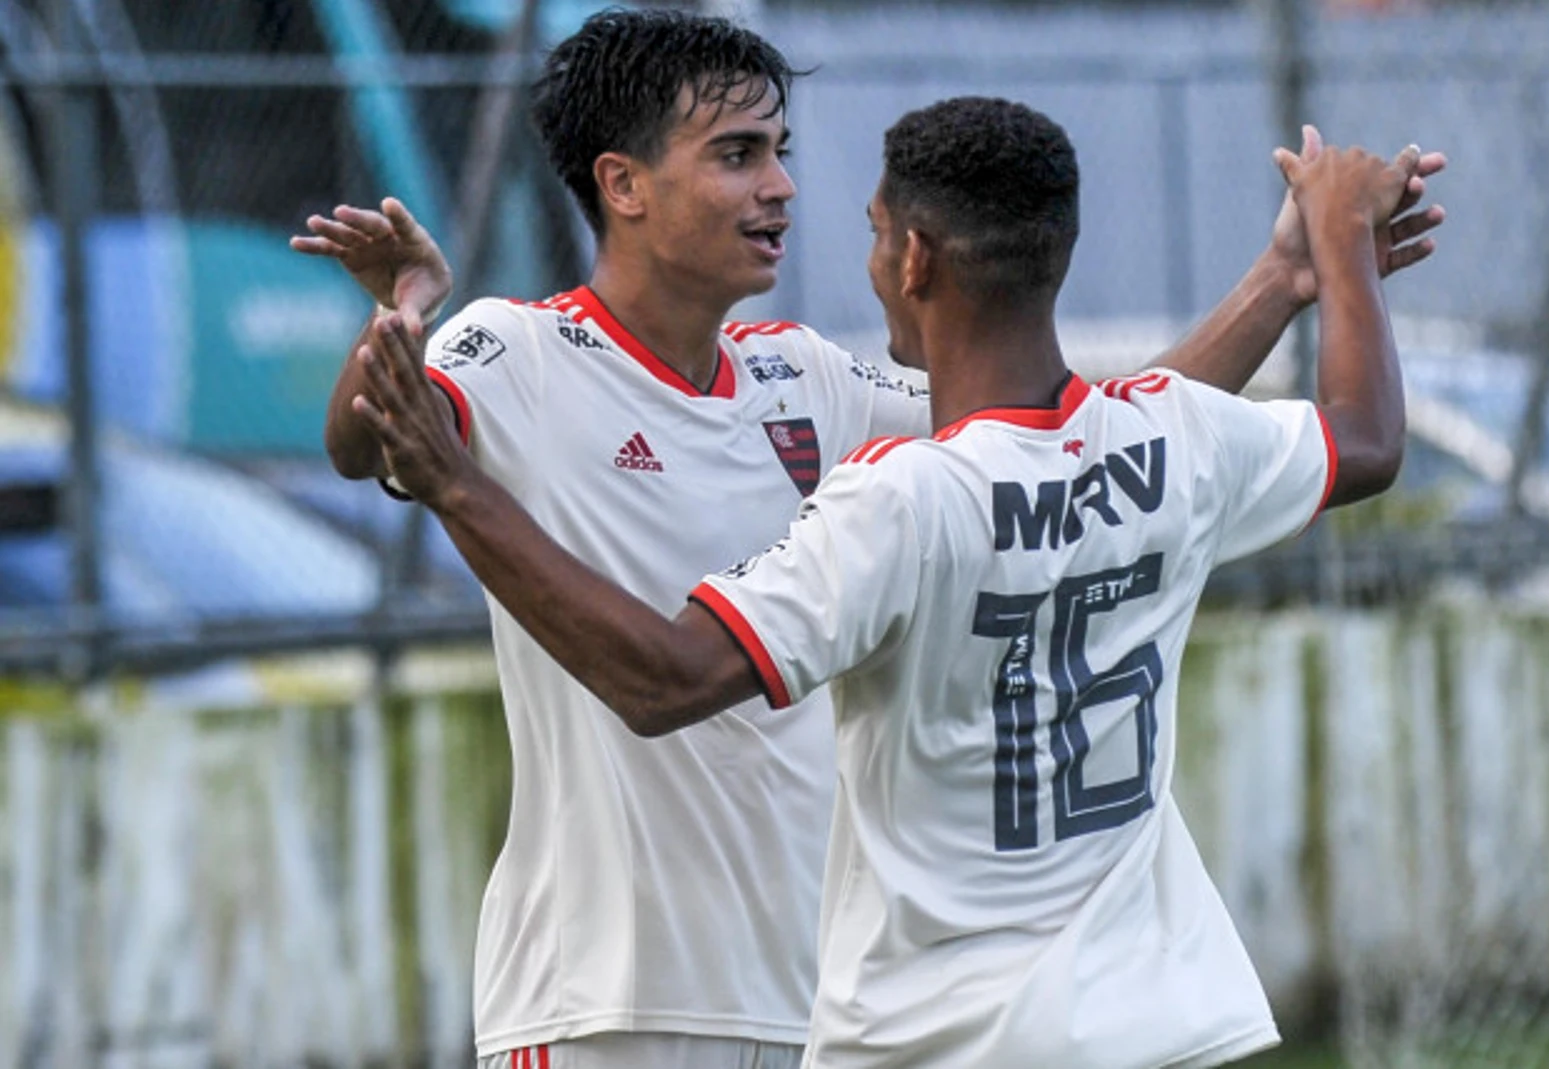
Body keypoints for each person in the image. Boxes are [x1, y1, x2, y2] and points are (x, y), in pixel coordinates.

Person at [292, 10, 1444, 1068]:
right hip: (612, 999)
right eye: (739, 154)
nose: (783, 186)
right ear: (623, 184)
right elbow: (367, 441)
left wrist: (1282, 279)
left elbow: (1078, 449)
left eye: (781, 149)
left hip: (810, 998)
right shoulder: (513, 349)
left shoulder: (806, 377)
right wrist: (399, 318)